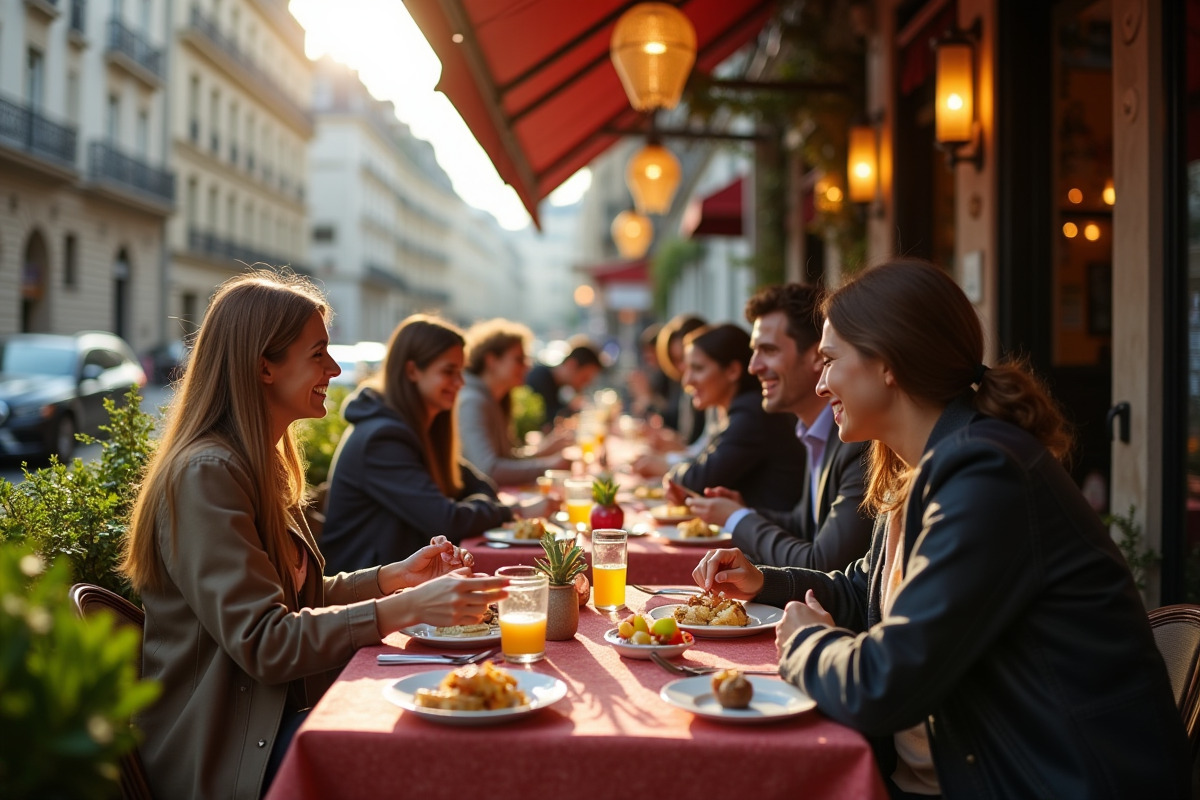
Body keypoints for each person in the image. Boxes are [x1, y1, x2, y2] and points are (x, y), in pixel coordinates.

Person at [693, 260, 1189, 799]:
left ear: (887, 363)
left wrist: (806, 640)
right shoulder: (920, 463)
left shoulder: (986, 473)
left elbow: (884, 684)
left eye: (831, 359)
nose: (821, 381)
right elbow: (869, 590)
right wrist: (766, 583)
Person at [121, 272, 507, 800]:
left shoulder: (259, 462)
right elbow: (264, 641)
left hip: (270, 724)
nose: (336, 368)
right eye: (318, 353)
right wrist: (409, 608)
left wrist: (392, 579)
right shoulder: (206, 473)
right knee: (437, 755)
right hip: (223, 757)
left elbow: (296, 599)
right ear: (263, 366)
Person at [320, 314, 555, 574]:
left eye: (460, 371)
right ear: (412, 371)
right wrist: (510, 511)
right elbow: (447, 520)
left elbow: (480, 485)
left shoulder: (416, 426)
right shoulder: (382, 438)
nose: (460, 382)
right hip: (363, 590)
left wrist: (480, 505)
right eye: (448, 371)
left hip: (403, 578)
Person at [686, 284, 874, 570]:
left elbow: (823, 562)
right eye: (754, 352)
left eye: (768, 350)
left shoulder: (857, 440)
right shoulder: (812, 429)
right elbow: (805, 523)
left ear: (817, 355)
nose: (753, 367)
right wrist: (745, 511)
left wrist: (738, 519)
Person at [661, 323, 806, 513]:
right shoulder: (734, 409)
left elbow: (698, 480)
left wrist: (673, 474)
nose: (687, 380)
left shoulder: (751, 413)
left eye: (697, 368)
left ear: (733, 371)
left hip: (779, 533)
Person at [457, 318, 571, 485]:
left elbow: (506, 457)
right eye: (519, 359)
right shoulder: (472, 401)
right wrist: (548, 465)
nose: (527, 366)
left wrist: (542, 452)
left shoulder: (496, 398)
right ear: (491, 361)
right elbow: (488, 470)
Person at [524, 338, 604, 427]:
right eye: (584, 378)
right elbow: (544, 421)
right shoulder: (539, 378)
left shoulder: (557, 385)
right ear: (571, 365)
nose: (586, 383)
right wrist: (571, 409)